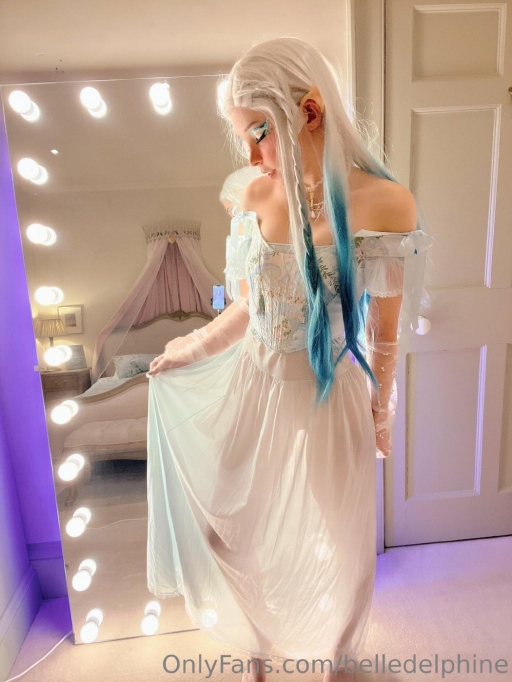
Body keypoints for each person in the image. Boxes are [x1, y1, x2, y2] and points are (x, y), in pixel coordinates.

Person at [146, 37, 433, 682]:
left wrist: (382, 407)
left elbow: (385, 333)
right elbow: (248, 307)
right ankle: (260, 643)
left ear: (309, 111)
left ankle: (337, 659)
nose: (251, 157)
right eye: (243, 138)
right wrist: (192, 346)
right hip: (256, 381)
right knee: (225, 531)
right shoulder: (252, 195)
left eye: (259, 133)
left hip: (332, 389)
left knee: (344, 540)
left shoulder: (385, 204)